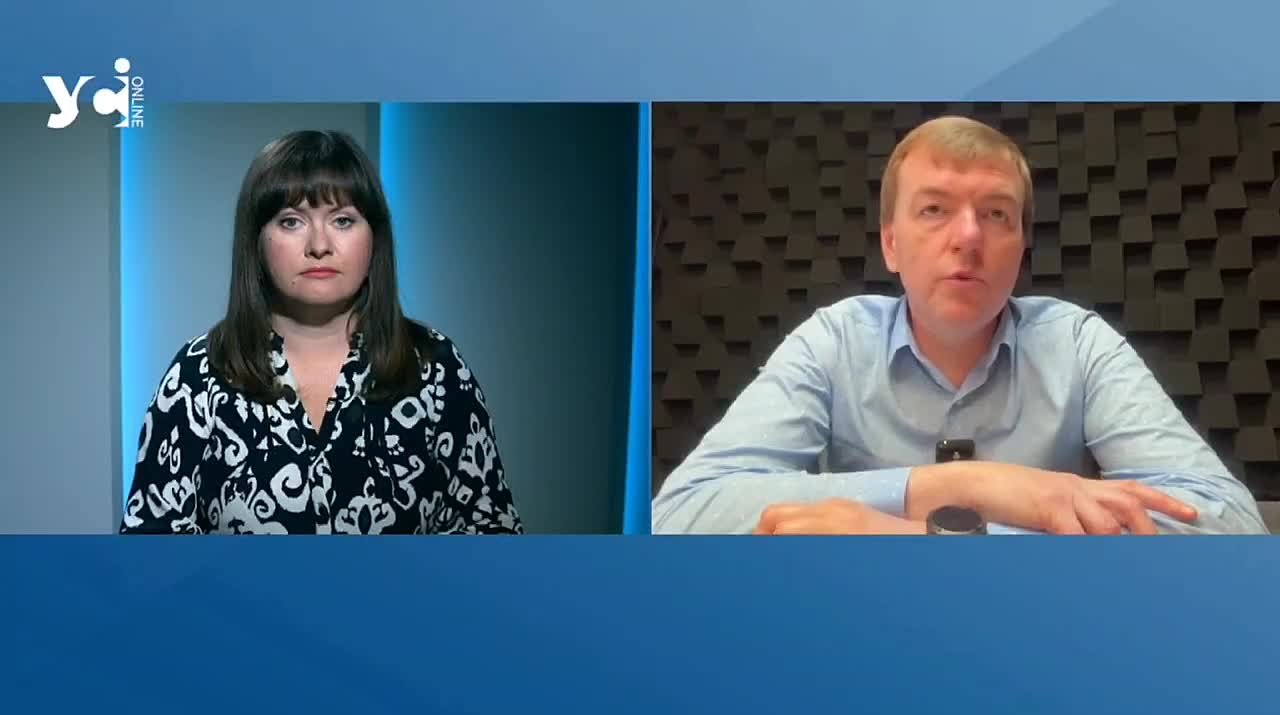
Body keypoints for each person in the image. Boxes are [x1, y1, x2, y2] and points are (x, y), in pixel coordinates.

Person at [652, 115, 1267, 535]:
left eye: (997, 214)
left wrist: (911, 535)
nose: (968, 237)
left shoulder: (1077, 343)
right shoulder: (835, 341)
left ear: (1021, 247)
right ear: (891, 244)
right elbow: (681, 514)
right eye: (934, 209)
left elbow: (1229, 523)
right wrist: (978, 486)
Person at [121, 130, 523, 534]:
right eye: (291, 221)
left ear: (374, 238)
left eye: (343, 220)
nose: (319, 245)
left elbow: (492, 531)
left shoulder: (435, 368)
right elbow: (149, 548)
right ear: (257, 242)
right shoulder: (198, 375)